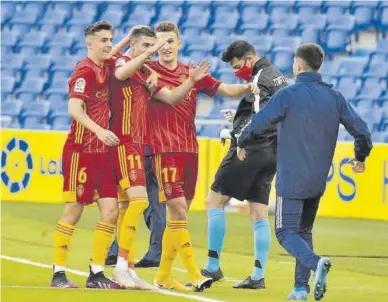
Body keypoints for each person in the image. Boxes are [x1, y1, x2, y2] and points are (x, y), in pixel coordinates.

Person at [237, 43, 373, 301]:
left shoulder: (288, 95)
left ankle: (317, 262)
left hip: (291, 178)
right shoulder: (335, 97)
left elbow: (260, 121)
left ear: (297, 65)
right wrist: (360, 157)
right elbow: (362, 132)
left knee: (284, 232)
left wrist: (242, 141)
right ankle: (300, 289)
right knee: (303, 231)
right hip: (317, 179)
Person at [148, 21, 259, 292]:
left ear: (179, 43)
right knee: (179, 210)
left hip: (189, 150)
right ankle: (195, 274)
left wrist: (249, 88)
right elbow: (172, 98)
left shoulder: (190, 71)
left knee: (179, 219)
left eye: (170, 41)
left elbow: (224, 90)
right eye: (160, 43)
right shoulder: (148, 72)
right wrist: (192, 80)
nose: (165, 47)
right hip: (165, 150)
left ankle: (163, 276)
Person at [108, 25, 211, 289]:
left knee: (135, 206)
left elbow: (174, 97)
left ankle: (131, 268)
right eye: (147, 46)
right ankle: (115, 266)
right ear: (133, 45)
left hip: (143, 144)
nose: (153, 51)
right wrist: (148, 59)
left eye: (153, 46)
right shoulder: (124, 63)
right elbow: (119, 68)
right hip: (124, 142)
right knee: (132, 204)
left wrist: (186, 80)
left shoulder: (144, 73)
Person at [202, 40, 287, 290]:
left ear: (249, 59)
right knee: (258, 212)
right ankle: (258, 276)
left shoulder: (259, 79)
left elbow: (261, 118)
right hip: (273, 152)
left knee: (214, 201)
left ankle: (212, 266)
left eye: (238, 66)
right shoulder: (278, 77)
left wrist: (237, 135)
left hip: (250, 150)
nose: (237, 71)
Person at [50, 21, 121, 289]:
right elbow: (74, 109)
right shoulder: (84, 71)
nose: (109, 44)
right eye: (103, 40)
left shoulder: (105, 67)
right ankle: (58, 273)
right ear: (89, 43)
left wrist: (131, 40)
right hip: (81, 151)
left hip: (102, 153)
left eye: (110, 39)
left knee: (111, 210)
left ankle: (96, 272)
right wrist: (100, 130)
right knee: (74, 211)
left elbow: (119, 53)